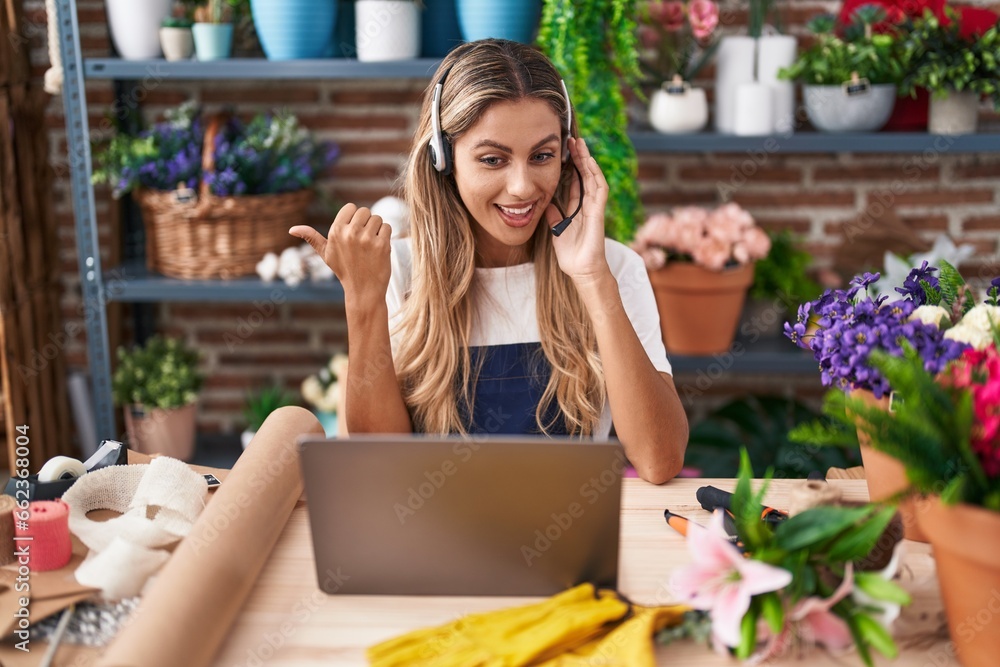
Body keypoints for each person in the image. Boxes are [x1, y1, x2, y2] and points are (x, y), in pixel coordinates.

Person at [290, 39, 688, 484]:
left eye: (542, 155)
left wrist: (593, 278)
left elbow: (660, 460)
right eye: (493, 159)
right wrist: (363, 302)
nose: (522, 187)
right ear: (445, 160)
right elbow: (375, 467)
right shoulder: (399, 270)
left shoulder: (613, 268)